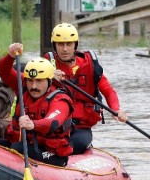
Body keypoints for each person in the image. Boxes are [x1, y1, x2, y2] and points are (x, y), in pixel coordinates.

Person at [44, 23, 127, 154]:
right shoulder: (46, 65)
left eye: (69, 44)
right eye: (60, 44)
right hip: (55, 125)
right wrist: (47, 75)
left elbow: (108, 91)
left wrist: (116, 109)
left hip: (80, 127)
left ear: (75, 45)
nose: (65, 49)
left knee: (79, 144)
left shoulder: (90, 66)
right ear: (55, 45)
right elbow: (26, 82)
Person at [0, 46, 74, 166]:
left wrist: (33, 124)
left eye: (39, 81)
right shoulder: (24, 85)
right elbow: (3, 71)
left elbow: (52, 122)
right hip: (25, 144)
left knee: (17, 147)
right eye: (30, 81)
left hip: (51, 153)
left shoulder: (60, 100)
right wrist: (10, 56)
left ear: (49, 81)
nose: (33, 86)